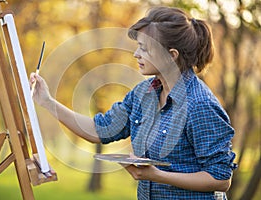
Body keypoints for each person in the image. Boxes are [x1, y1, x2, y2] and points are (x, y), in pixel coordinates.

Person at [30, 6, 237, 200]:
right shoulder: (143, 94)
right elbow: (98, 130)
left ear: (171, 55)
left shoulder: (200, 105)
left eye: (145, 48)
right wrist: (47, 101)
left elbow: (220, 179)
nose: (136, 54)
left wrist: (156, 175)